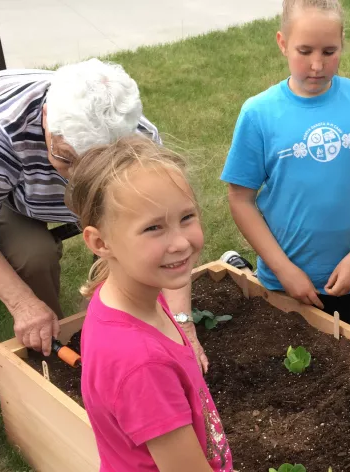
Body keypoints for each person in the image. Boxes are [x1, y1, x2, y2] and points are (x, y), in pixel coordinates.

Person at [0, 59, 201, 357]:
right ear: (46, 117)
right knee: (34, 256)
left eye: (97, 169)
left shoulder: (140, 138)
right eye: (66, 159)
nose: (76, 183)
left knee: (132, 244)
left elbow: (166, 234)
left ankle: (107, 326)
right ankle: (55, 338)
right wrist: (25, 306)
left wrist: (181, 323)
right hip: (4, 195)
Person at [220, 0, 350, 331]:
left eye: (329, 51)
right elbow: (240, 199)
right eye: (304, 51)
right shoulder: (258, 113)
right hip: (284, 281)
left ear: (342, 39)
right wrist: (284, 269)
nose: (317, 65)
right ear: (282, 43)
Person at [66, 135, 233, 471]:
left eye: (187, 217)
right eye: (154, 227)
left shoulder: (133, 293)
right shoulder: (141, 365)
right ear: (100, 242)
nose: (181, 242)